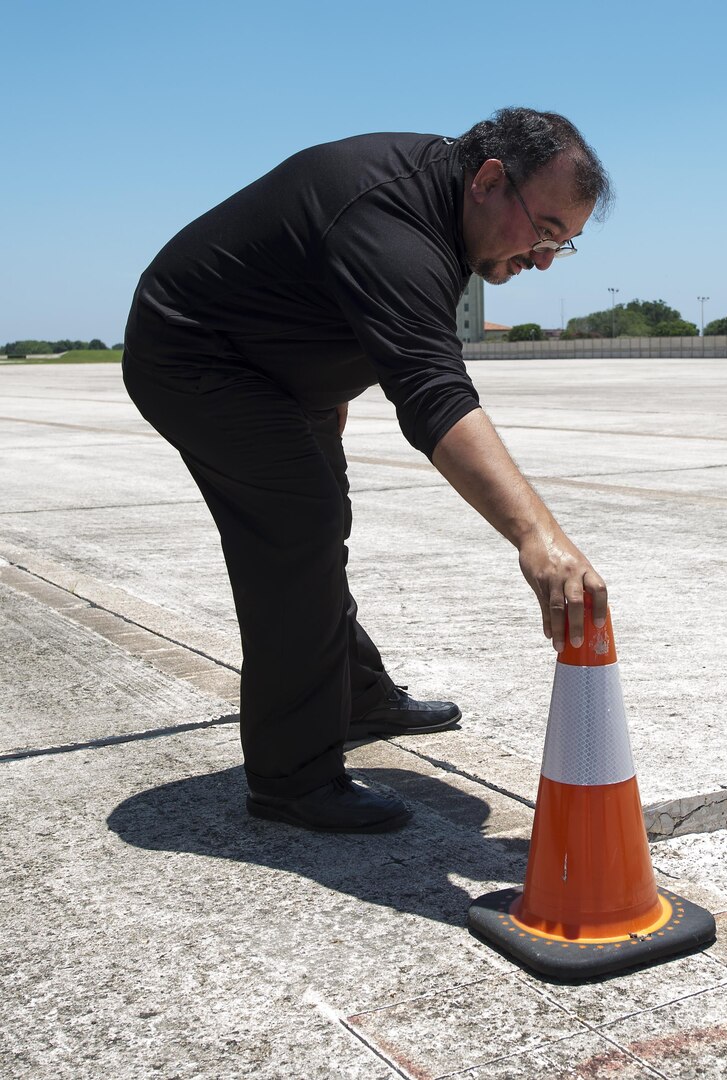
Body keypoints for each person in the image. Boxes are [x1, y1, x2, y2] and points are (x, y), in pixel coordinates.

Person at [122, 108, 610, 833]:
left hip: (274, 370)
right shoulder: (393, 221)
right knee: (297, 526)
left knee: (319, 519)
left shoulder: (443, 211)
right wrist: (538, 536)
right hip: (195, 357)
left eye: (561, 247)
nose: (542, 259)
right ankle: (293, 780)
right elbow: (432, 391)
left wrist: (323, 404)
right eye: (543, 232)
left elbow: (347, 314)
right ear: (488, 180)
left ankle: (355, 695)